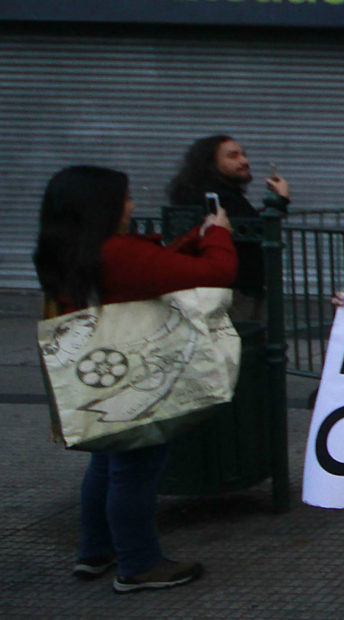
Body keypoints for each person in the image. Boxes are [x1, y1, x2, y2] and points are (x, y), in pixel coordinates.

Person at [35, 165, 237, 593]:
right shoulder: (116, 253)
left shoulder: (66, 248)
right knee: (136, 470)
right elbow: (217, 272)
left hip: (101, 378)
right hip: (136, 377)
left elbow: (154, 267)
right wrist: (218, 235)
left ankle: (95, 552)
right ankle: (138, 564)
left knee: (106, 463)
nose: (131, 205)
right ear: (101, 206)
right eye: (125, 198)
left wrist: (193, 237)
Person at [167, 135, 289, 319]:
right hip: (233, 291)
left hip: (242, 288)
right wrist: (279, 202)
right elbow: (250, 229)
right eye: (233, 156)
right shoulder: (211, 197)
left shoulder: (226, 194)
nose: (244, 161)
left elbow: (247, 225)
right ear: (210, 162)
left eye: (244, 155)